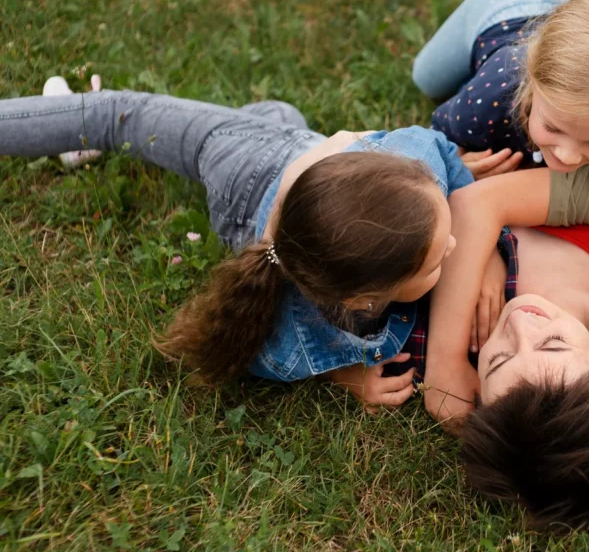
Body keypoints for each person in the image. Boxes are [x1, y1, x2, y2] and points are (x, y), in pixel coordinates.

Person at [0, 83, 472, 409]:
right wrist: (339, 374)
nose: (456, 245)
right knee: (119, 115)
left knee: (278, 115)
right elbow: (437, 149)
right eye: (436, 259)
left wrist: (340, 374)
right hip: (249, 168)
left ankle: (270, 119)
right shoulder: (284, 339)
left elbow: (435, 148)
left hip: (281, 175)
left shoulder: (288, 339)